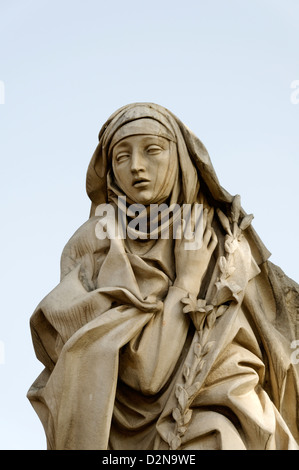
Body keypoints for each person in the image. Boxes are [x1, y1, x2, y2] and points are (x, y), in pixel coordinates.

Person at [28, 103, 299, 450]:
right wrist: (186, 280)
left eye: (152, 150)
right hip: (126, 425)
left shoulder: (225, 237)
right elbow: (145, 373)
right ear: (109, 172)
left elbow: (277, 334)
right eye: (121, 157)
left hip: (223, 406)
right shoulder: (96, 242)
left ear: (180, 158)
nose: (136, 166)